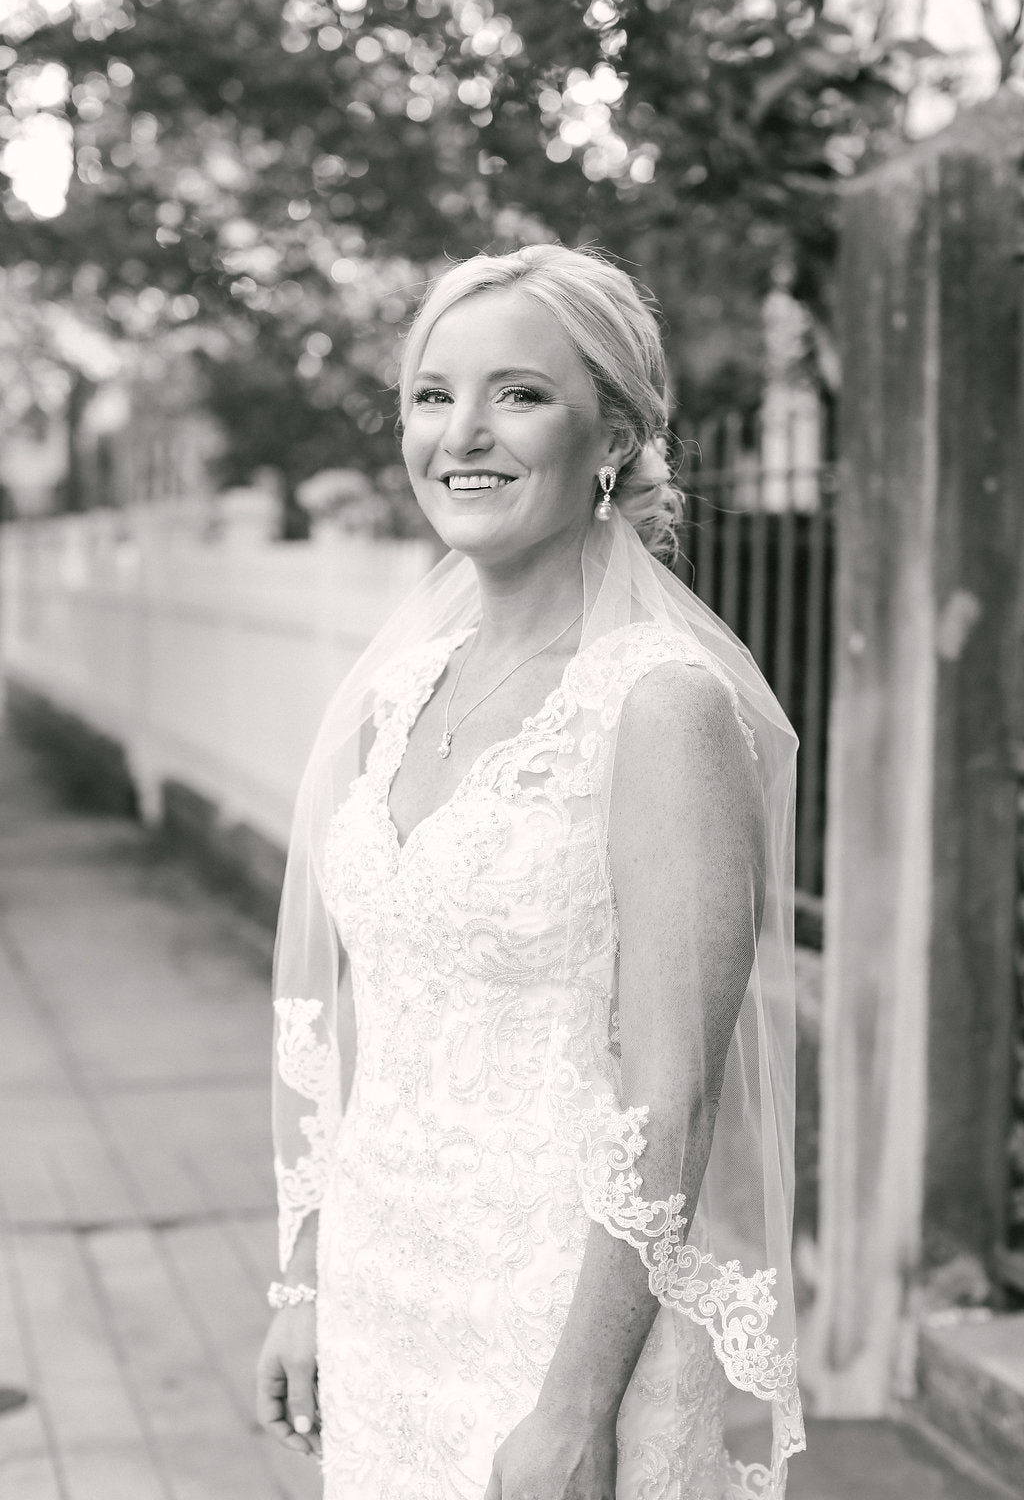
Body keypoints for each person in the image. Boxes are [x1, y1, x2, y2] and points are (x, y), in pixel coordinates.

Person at [256, 244, 805, 1499]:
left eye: (520, 394)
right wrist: (305, 1278)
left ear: (611, 432)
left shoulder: (660, 709)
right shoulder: (397, 695)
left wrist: (572, 1410)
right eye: (432, 396)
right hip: (382, 1302)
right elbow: (359, 1021)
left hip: (560, 1326)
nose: (464, 435)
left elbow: (672, 1095)